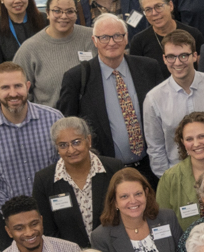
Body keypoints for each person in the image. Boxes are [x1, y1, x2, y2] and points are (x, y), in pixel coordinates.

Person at [58, 14, 168, 175]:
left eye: (117, 36)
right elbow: (66, 126)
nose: (111, 42)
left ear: (126, 38)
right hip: (105, 171)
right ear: (94, 41)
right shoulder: (76, 78)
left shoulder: (148, 67)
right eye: (104, 37)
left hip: (152, 168)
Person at [33, 116, 112, 248]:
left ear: (88, 140)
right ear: (57, 148)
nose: (71, 150)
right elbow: (47, 228)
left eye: (76, 142)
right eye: (63, 145)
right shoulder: (44, 180)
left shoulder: (112, 169)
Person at [141, 31, 204, 176]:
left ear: (195, 56)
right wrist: (169, 181)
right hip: (178, 176)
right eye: (171, 57)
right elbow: (155, 148)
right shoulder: (154, 99)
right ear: (164, 59)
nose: (178, 62)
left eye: (184, 55)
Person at [15, 0, 95, 108]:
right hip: (50, 122)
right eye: (57, 11)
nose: (64, 16)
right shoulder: (29, 49)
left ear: (76, 14)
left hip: (91, 118)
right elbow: (19, 93)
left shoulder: (92, 38)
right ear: (47, 12)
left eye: (70, 11)